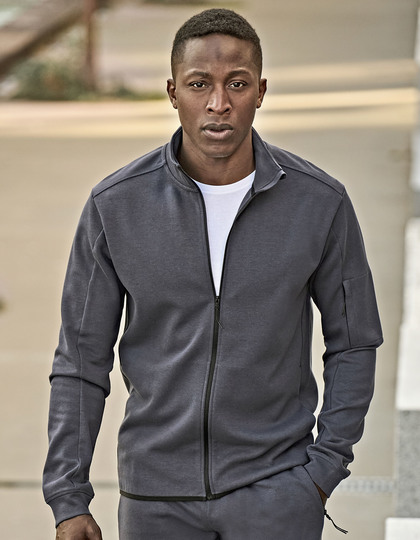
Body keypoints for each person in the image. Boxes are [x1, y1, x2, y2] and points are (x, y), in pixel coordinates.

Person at [43, 8, 383, 540]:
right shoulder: (116, 206)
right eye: (199, 84)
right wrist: (68, 497)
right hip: (156, 499)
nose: (218, 103)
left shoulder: (319, 202)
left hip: (276, 493)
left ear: (261, 92)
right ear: (173, 92)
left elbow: (355, 341)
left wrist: (322, 471)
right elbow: (80, 358)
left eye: (237, 84)